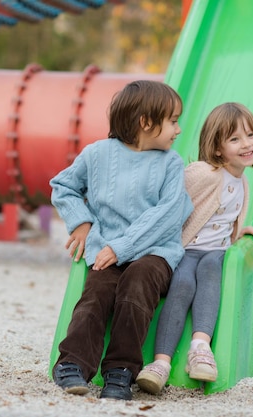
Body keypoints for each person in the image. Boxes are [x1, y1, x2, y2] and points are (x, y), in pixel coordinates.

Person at [49, 80, 193, 401]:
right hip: (106, 252)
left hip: (154, 253)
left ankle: (121, 370)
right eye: (172, 121)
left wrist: (123, 246)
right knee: (97, 293)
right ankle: (72, 364)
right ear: (145, 122)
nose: (178, 129)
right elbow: (63, 186)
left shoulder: (170, 163)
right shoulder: (97, 154)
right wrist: (82, 222)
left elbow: (168, 213)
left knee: (137, 283)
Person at [135, 102, 253, 395]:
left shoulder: (243, 180)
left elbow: (228, 218)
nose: (246, 144)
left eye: (251, 135)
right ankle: (160, 364)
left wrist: (239, 231)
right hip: (183, 250)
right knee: (181, 285)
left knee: (211, 272)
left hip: (214, 254)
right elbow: (169, 199)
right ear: (217, 148)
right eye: (234, 139)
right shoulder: (203, 173)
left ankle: (200, 348)